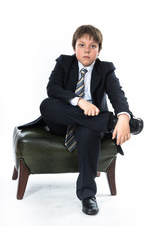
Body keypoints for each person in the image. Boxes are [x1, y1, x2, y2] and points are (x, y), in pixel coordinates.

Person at [36, 25, 142, 215]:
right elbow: (53, 89)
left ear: (99, 51)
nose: (87, 50)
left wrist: (124, 116)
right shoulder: (64, 63)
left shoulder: (106, 69)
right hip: (63, 120)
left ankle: (87, 196)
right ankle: (108, 122)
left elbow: (118, 96)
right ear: (74, 48)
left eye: (92, 46)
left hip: (91, 126)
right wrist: (80, 102)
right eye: (82, 45)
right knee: (46, 105)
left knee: (88, 132)